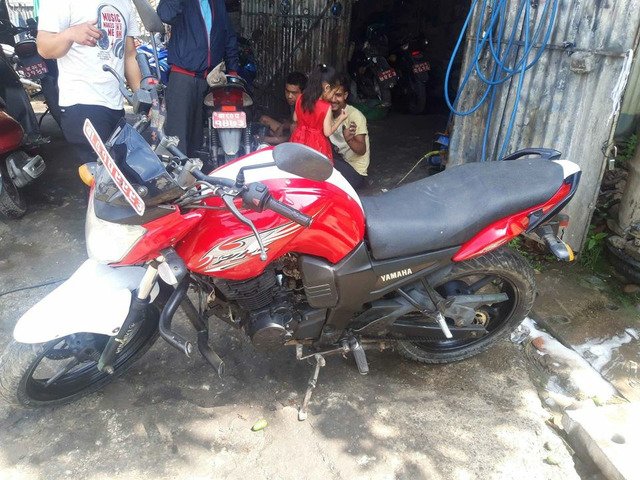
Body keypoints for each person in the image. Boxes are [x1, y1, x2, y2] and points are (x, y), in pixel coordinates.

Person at [36, 0, 142, 161]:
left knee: (116, 171)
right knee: (100, 172)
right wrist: (70, 34)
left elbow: (129, 54)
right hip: (82, 104)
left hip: (115, 104)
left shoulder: (125, 2)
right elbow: (44, 47)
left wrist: (142, 97)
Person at [157, 0, 239, 157]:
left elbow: (228, 35)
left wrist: (233, 70)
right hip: (182, 77)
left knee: (197, 141)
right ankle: (176, 171)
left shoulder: (217, 3)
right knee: (177, 140)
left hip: (208, 80)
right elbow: (165, 14)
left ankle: (195, 171)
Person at [290, 64, 348, 160]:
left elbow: (295, 118)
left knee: (297, 164)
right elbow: (327, 132)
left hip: (298, 139)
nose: (333, 98)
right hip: (316, 145)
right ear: (327, 88)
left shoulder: (300, 97)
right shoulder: (326, 107)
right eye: (333, 92)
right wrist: (341, 118)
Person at [329, 74, 370, 189]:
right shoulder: (327, 113)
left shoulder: (354, 115)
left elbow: (361, 150)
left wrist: (350, 140)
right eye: (331, 95)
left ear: (345, 95)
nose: (333, 99)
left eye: (338, 95)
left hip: (355, 173)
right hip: (341, 162)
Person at [259, 71, 307, 145]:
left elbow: (295, 130)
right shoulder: (293, 103)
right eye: (287, 91)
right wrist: (282, 126)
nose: (289, 96)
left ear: (303, 92)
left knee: (292, 127)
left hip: (300, 140)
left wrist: (267, 139)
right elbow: (290, 122)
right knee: (264, 119)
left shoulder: (306, 106)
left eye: (294, 93)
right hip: (288, 132)